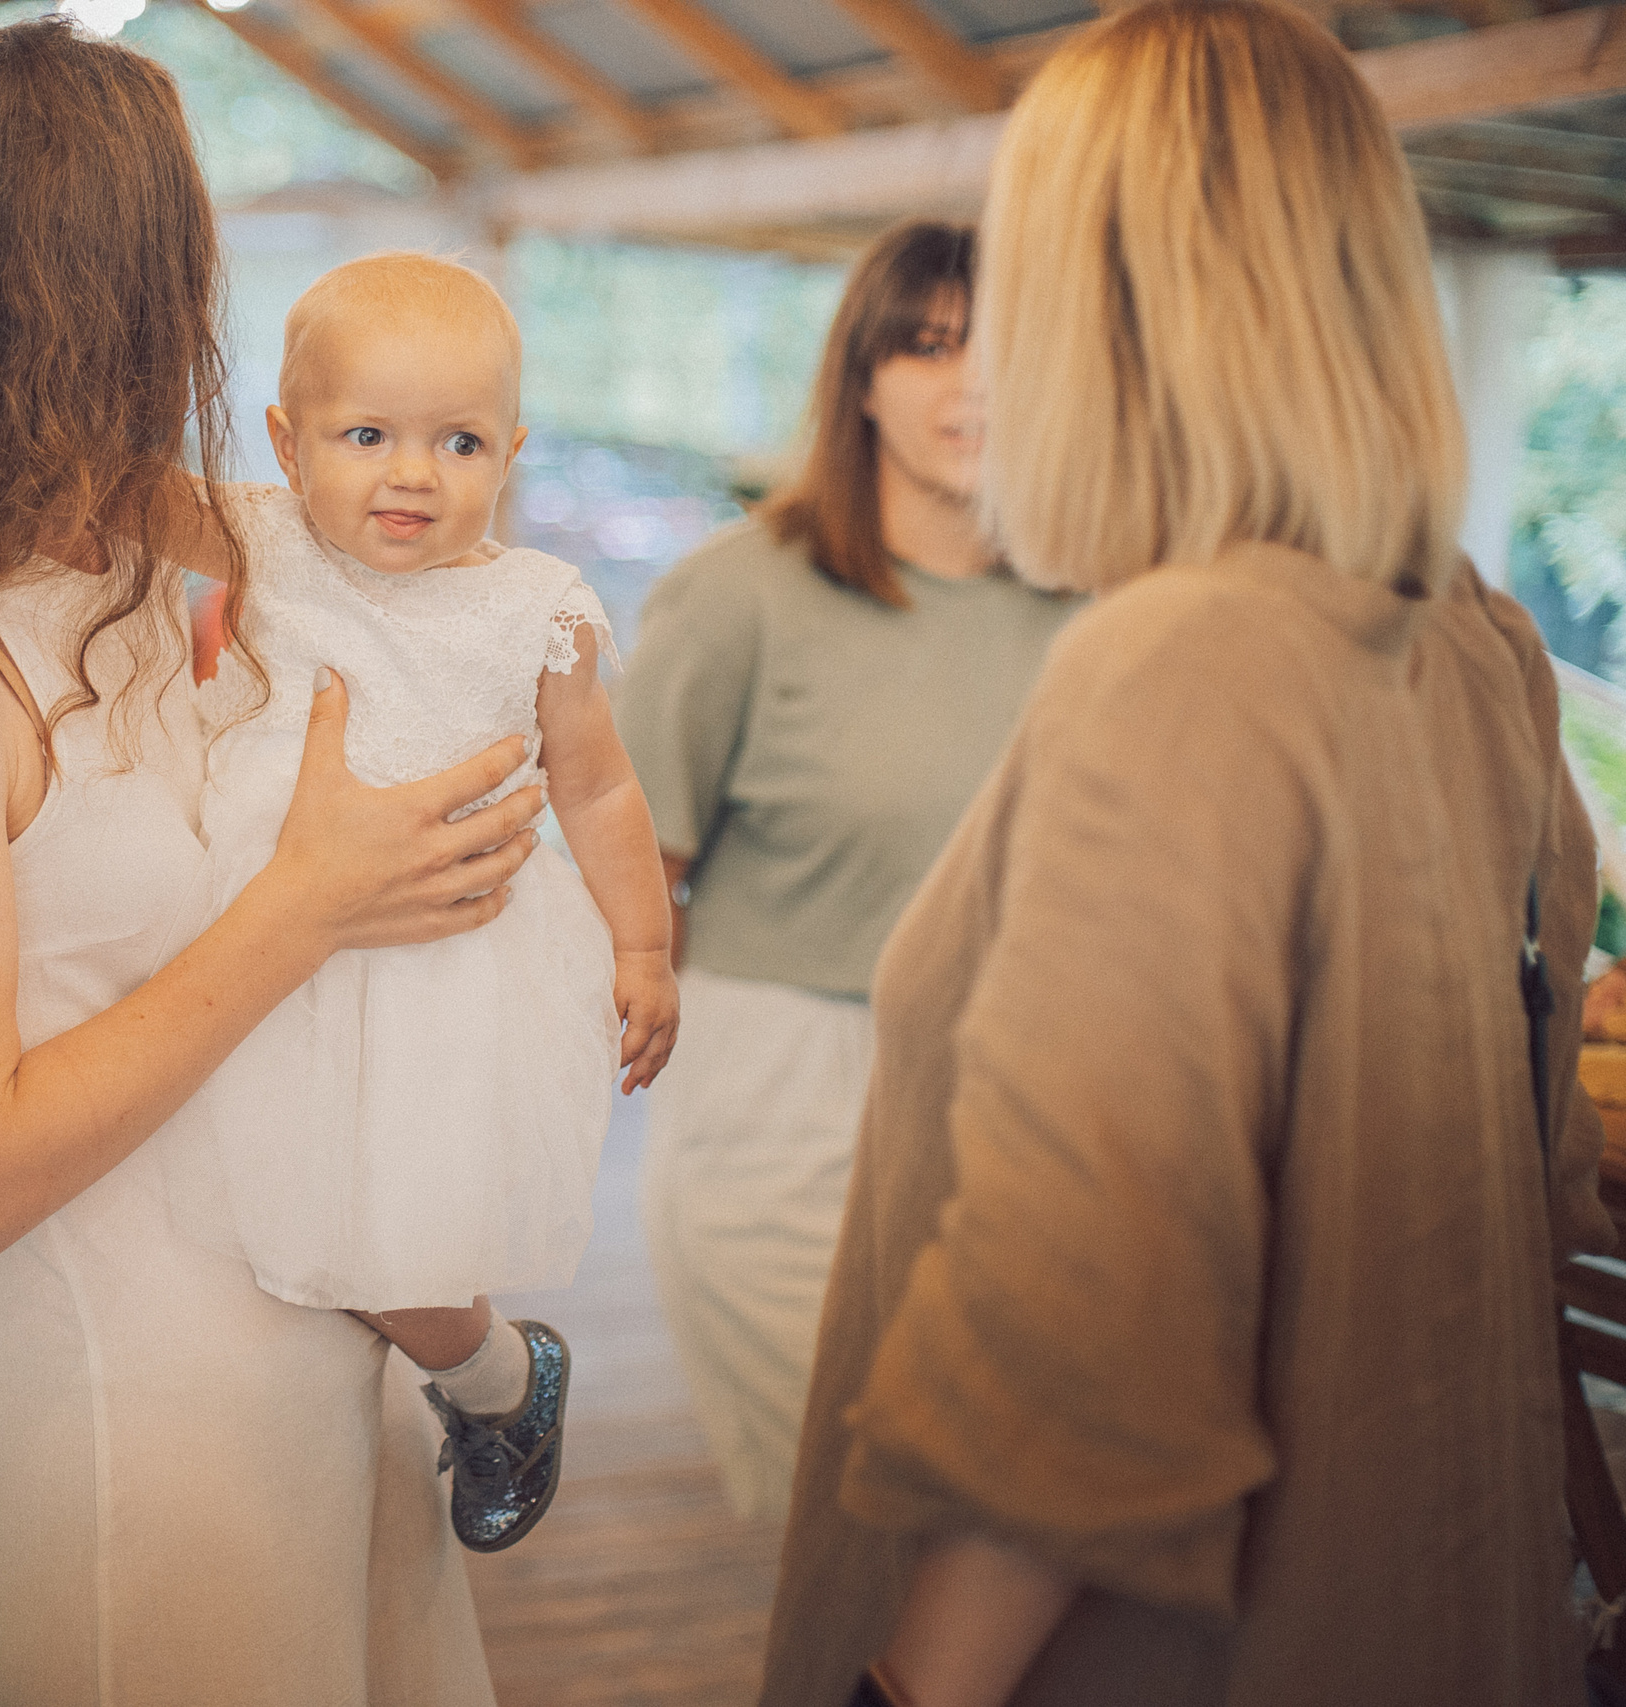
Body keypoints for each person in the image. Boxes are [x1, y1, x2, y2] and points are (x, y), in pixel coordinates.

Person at [760, 5, 1611, 1704]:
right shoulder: (1471, 640)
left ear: (1108, 301)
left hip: (1176, 1649)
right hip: (1432, 1592)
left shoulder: (1185, 665)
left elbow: (1078, 1339)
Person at [0, 26, 538, 1703]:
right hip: (116, 1424)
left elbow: (398, 532)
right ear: (107, 283)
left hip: (301, 1340)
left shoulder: (133, 554)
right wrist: (310, 901)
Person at [185, 253, 679, 1551]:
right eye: (367, 435)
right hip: (259, 950)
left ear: (507, 453)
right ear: (288, 446)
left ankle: (502, 1381)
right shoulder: (264, 536)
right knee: (264, 1226)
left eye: (457, 441)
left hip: (439, 980)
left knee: (389, 1247)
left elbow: (602, 791)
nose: (413, 473)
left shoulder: (536, 611)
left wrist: (642, 944)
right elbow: (92, 498)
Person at [614, 221, 1076, 1532]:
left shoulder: (1102, 610)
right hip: (786, 1104)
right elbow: (632, 876)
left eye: (1005, 347)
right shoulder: (738, 594)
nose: (972, 382)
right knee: (858, 1535)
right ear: (861, 378)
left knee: (1013, 1536)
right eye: (928, 347)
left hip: (1028, 1111)